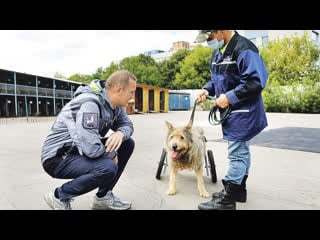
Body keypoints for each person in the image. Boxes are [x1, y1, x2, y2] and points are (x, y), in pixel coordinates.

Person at [41, 70, 137, 210]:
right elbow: (90, 148)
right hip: (58, 157)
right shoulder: (90, 104)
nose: (133, 96)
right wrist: (112, 154)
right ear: (118, 90)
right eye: (131, 92)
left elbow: (127, 125)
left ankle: (103, 197)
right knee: (108, 167)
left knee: (127, 143)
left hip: (79, 150)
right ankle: (59, 196)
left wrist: (120, 133)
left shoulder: (116, 105)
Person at [194, 30, 269, 210]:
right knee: (241, 150)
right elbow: (217, 80)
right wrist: (206, 90)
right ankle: (239, 190)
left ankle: (228, 198)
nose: (208, 42)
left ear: (220, 31)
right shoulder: (217, 53)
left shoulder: (244, 49)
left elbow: (256, 82)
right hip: (232, 113)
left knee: (237, 153)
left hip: (244, 112)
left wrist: (229, 97)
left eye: (209, 38)